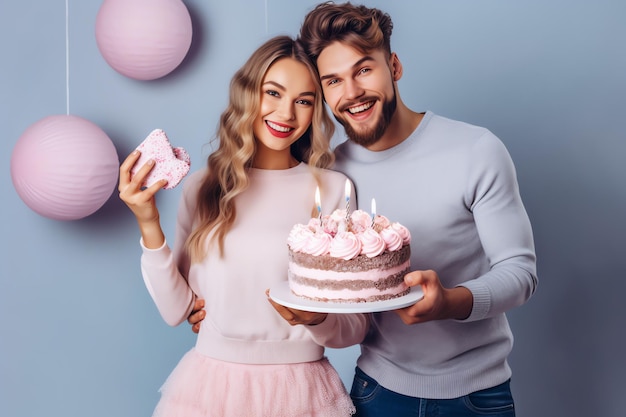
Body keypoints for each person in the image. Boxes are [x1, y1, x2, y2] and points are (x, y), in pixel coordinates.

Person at [189, 2, 538, 416]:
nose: (351, 93)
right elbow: (286, 253)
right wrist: (216, 303)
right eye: (333, 80)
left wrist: (451, 301)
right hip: (376, 391)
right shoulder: (330, 176)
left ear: (394, 65)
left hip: (479, 396)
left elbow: (520, 272)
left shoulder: (476, 151)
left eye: (364, 70)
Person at [118, 35, 356, 417]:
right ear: (248, 95)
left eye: (304, 101)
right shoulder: (204, 186)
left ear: (315, 111)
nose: (286, 114)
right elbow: (176, 310)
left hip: (302, 387)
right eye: (273, 93)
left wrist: (318, 319)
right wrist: (148, 221)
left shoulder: (331, 189)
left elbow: (353, 327)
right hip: (211, 386)